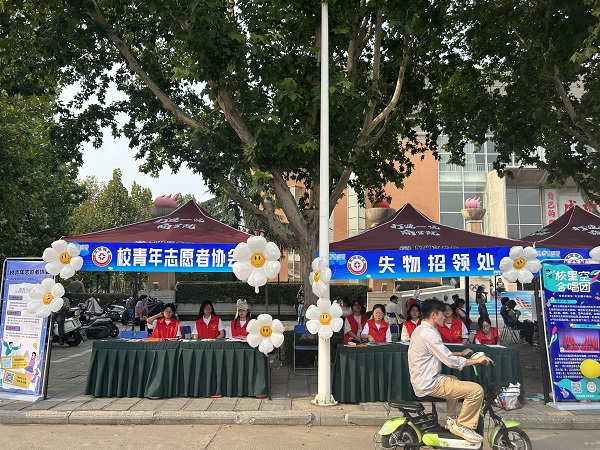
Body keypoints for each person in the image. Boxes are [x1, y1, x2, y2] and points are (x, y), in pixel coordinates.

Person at [408, 299, 493, 444]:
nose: (445, 317)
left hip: (425, 379)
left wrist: (461, 354)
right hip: (429, 382)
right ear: (433, 315)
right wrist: (476, 361)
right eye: (442, 314)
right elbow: (449, 360)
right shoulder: (429, 334)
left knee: (453, 380)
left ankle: (452, 420)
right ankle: (463, 426)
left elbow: (440, 352)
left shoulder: (422, 330)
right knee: (476, 390)